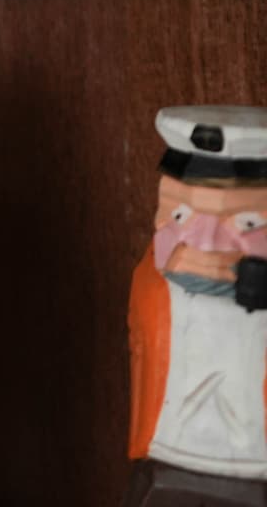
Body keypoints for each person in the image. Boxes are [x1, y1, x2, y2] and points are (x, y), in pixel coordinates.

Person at [128, 106, 267, 507]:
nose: (203, 242)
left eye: (245, 223)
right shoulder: (150, 285)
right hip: (168, 460)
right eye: (180, 214)